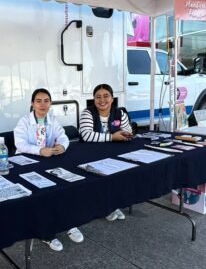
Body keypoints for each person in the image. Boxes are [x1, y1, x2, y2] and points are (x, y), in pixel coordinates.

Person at [14, 88, 83, 251]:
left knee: (65, 188)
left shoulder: (52, 119)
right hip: (28, 164)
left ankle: (69, 223)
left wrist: (62, 146)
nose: (42, 104)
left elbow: (63, 136)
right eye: (38, 101)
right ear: (32, 103)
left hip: (49, 162)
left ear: (50, 103)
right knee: (42, 197)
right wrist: (39, 150)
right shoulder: (24, 121)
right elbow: (20, 144)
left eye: (46, 101)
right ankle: (47, 234)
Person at [79, 83, 133, 222]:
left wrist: (125, 134)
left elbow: (128, 131)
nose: (102, 100)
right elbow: (86, 135)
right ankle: (104, 208)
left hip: (112, 152)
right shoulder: (87, 113)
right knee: (99, 180)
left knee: (116, 178)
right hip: (90, 154)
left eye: (106, 96)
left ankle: (112, 205)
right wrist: (112, 137)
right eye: (98, 97)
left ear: (112, 98)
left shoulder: (119, 113)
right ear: (94, 99)